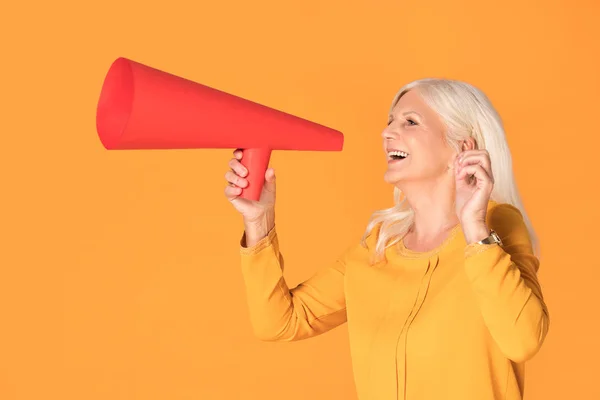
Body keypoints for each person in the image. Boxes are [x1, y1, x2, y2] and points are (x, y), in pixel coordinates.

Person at [224, 78, 549, 400]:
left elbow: (522, 340)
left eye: (410, 122)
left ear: (462, 148)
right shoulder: (379, 246)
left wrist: (475, 227)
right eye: (390, 121)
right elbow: (280, 322)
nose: (387, 132)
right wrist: (259, 221)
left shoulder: (496, 226)